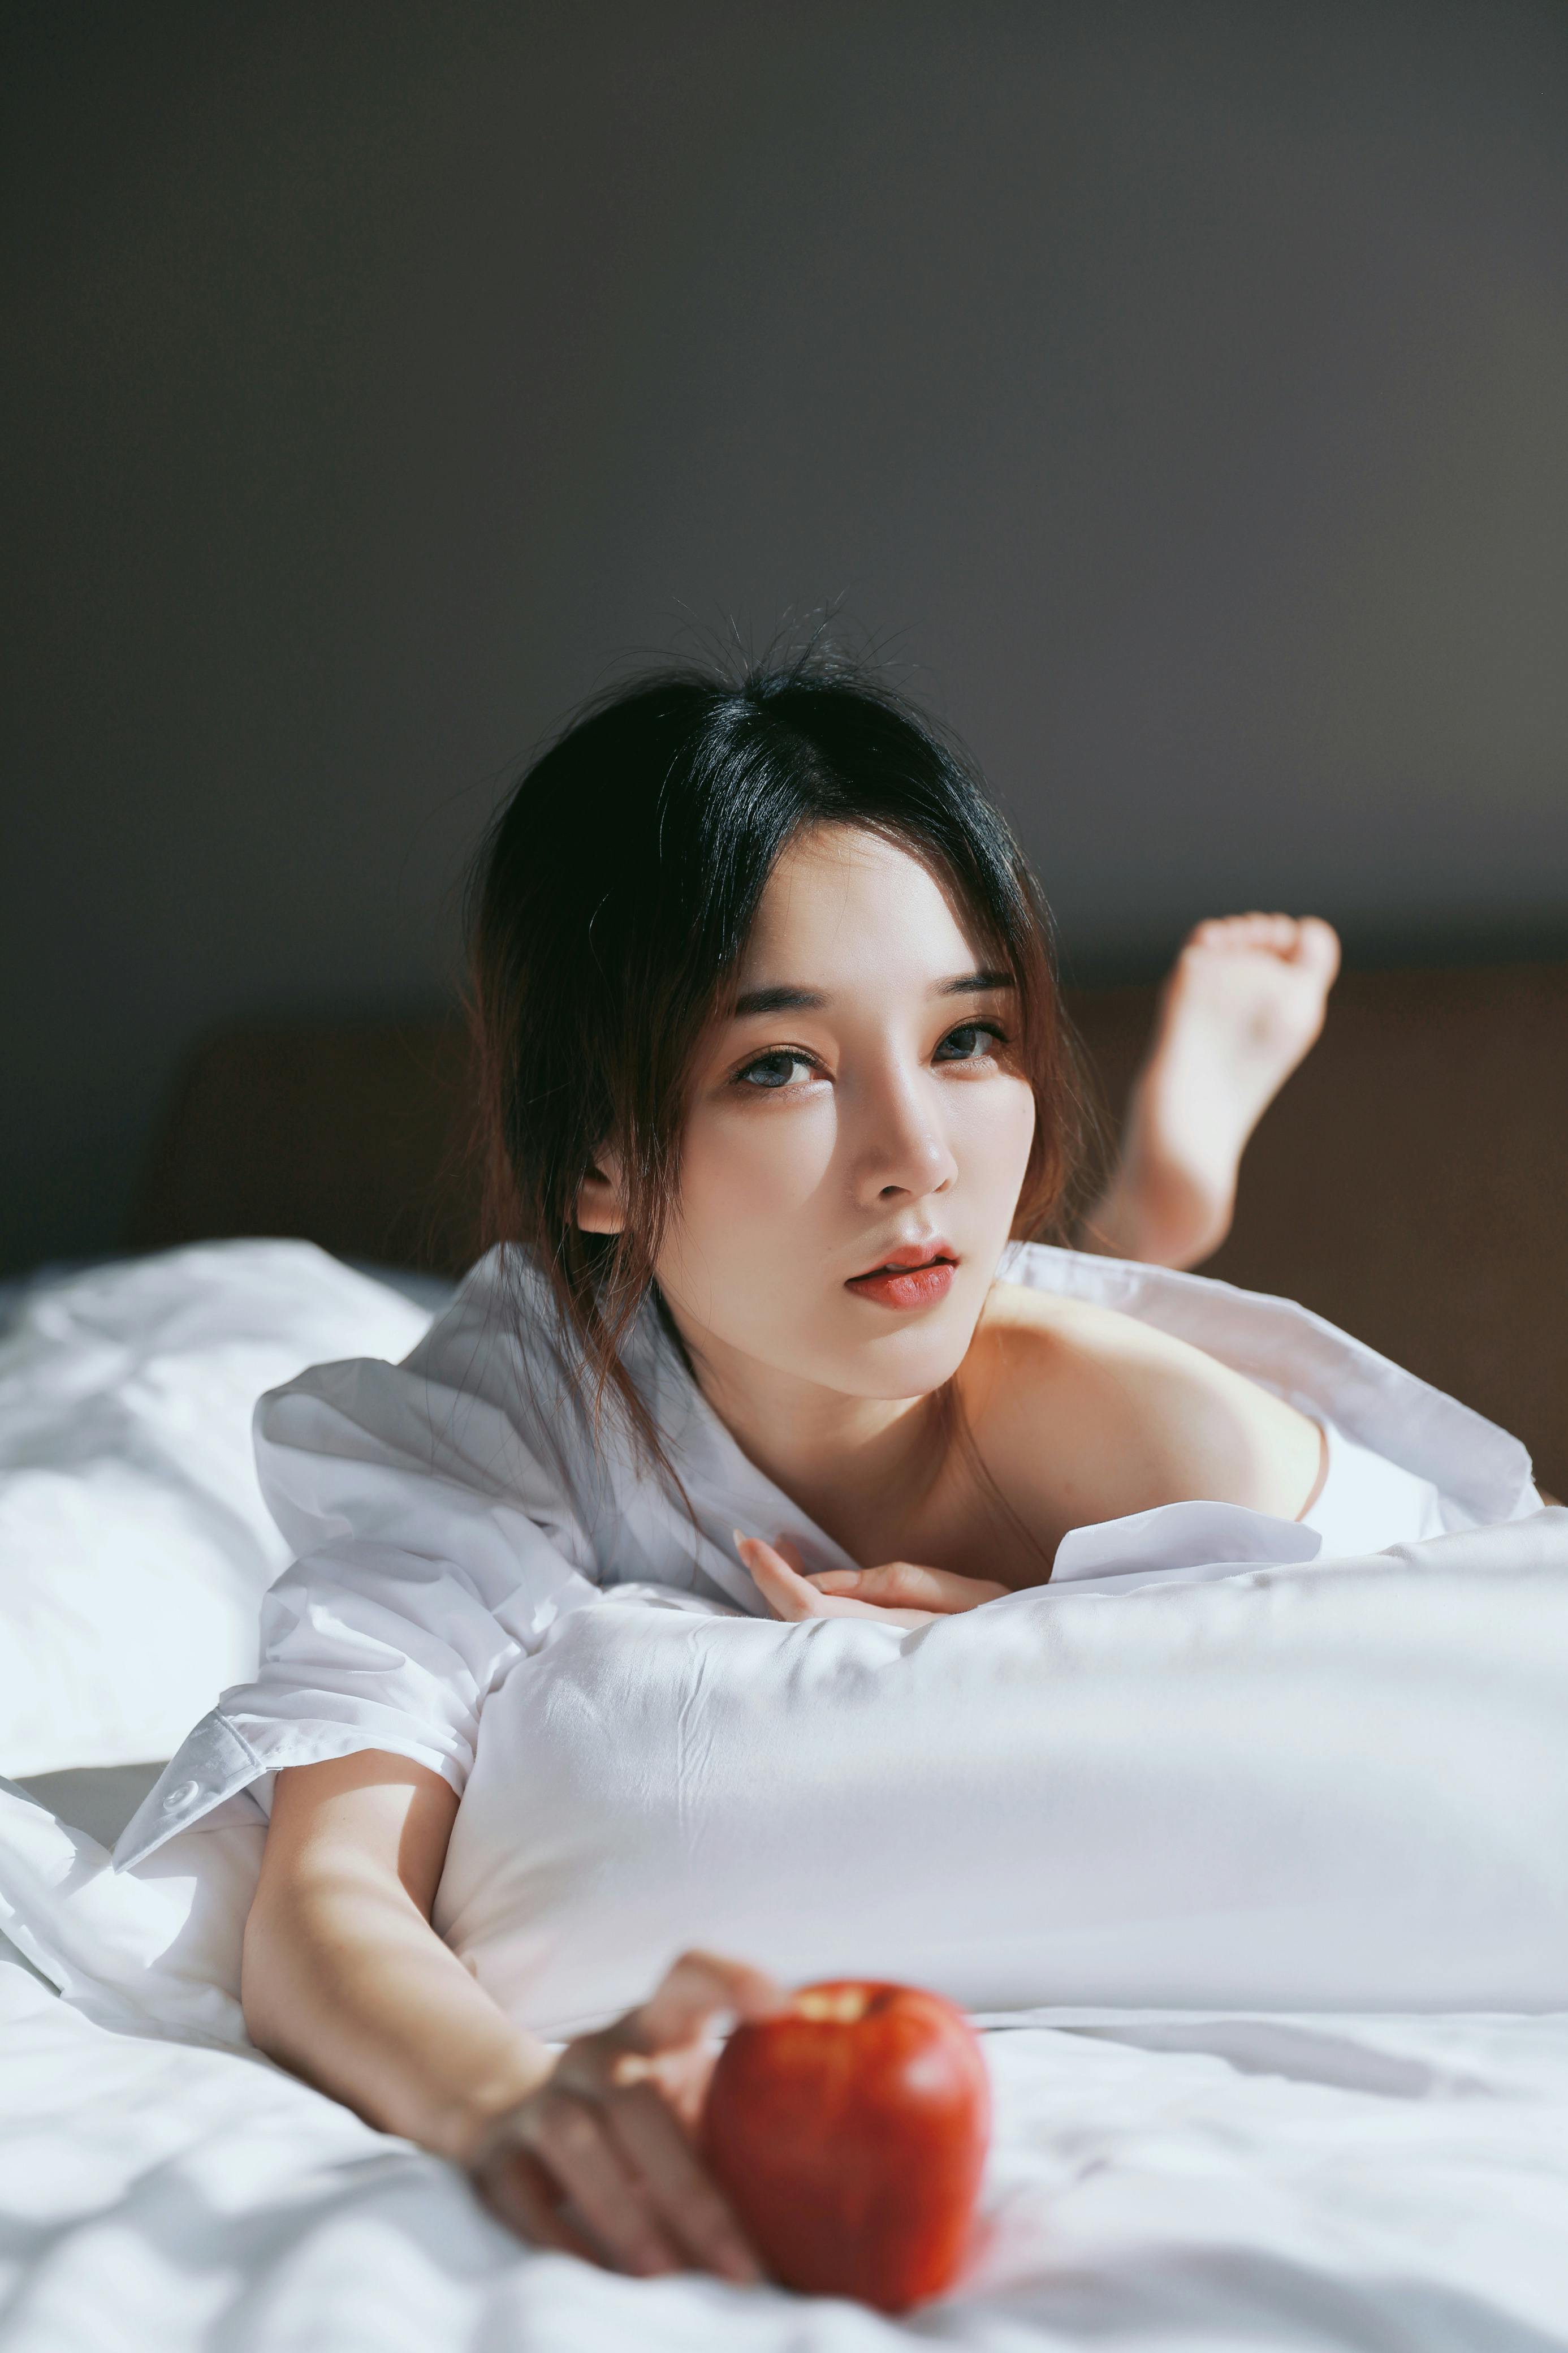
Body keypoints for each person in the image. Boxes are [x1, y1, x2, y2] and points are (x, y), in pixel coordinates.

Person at [124, 656, 1505, 2287]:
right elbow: (326, 1896)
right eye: (783, 1063)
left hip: (1060, 1406)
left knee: (1019, 1322)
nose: (919, 1152)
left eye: (972, 1037)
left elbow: (1452, 1695)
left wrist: (996, 1622)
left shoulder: (1155, 1437)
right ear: (598, 1162)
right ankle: (1147, 1211)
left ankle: (1153, 1221)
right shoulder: (518, 1400)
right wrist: (513, 2100)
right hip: (879, 1358)